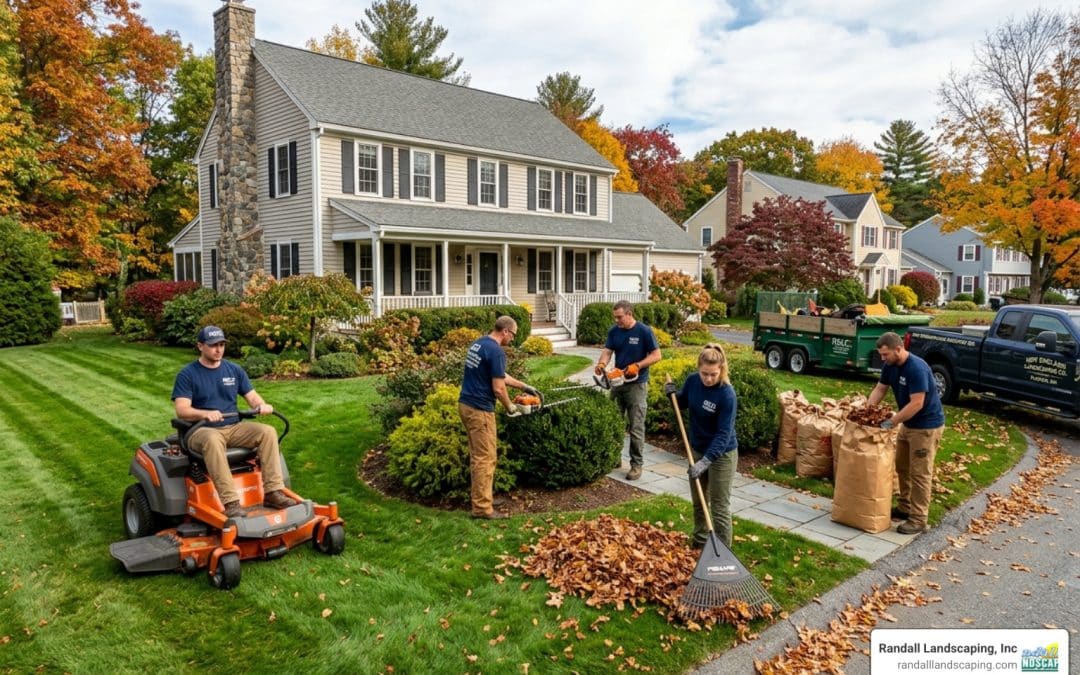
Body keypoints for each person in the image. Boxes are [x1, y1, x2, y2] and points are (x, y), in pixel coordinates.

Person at [172, 325, 297, 519]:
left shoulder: (233, 370)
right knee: (213, 440)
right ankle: (231, 503)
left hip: (233, 427)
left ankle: (273, 492)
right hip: (200, 430)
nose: (219, 349)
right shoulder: (188, 374)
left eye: (221, 344)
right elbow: (182, 410)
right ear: (200, 346)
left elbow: (252, 397)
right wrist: (204, 414)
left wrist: (262, 405)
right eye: (213, 345)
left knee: (268, 432)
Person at [866, 331, 946, 535]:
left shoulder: (916, 368)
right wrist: (867, 410)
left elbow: (917, 403)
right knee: (902, 466)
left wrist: (892, 422)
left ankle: (919, 519)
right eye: (881, 355)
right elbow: (880, 389)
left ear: (898, 349)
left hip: (926, 427)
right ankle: (905, 507)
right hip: (908, 424)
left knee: (920, 473)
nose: (883, 359)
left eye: (886, 355)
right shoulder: (890, 366)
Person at [458, 316, 538, 520]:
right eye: (513, 334)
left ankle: (483, 497)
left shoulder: (480, 343)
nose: (513, 338)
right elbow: (498, 387)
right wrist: (510, 407)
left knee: (478, 456)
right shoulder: (496, 351)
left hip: (465, 404)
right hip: (480, 410)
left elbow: (499, 374)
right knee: (485, 458)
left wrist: (524, 386)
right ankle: (482, 509)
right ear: (506, 331)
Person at [664, 344, 738, 548]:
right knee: (699, 502)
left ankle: (723, 553)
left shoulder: (726, 394)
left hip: (722, 454)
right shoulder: (693, 381)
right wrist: (672, 395)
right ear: (698, 368)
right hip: (696, 448)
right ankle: (699, 543)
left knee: (720, 506)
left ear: (721, 369)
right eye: (704, 373)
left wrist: (706, 461)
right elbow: (682, 404)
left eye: (713, 374)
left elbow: (723, 434)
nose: (708, 379)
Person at [595, 300, 662, 480]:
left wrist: (638, 365)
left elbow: (657, 355)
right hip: (617, 383)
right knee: (614, 422)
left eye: (620, 317)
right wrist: (602, 363)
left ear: (629, 314)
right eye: (615, 317)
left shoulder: (644, 331)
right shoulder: (614, 331)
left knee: (636, 427)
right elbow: (608, 351)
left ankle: (636, 465)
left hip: (637, 384)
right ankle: (614, 458)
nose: (617, 321)